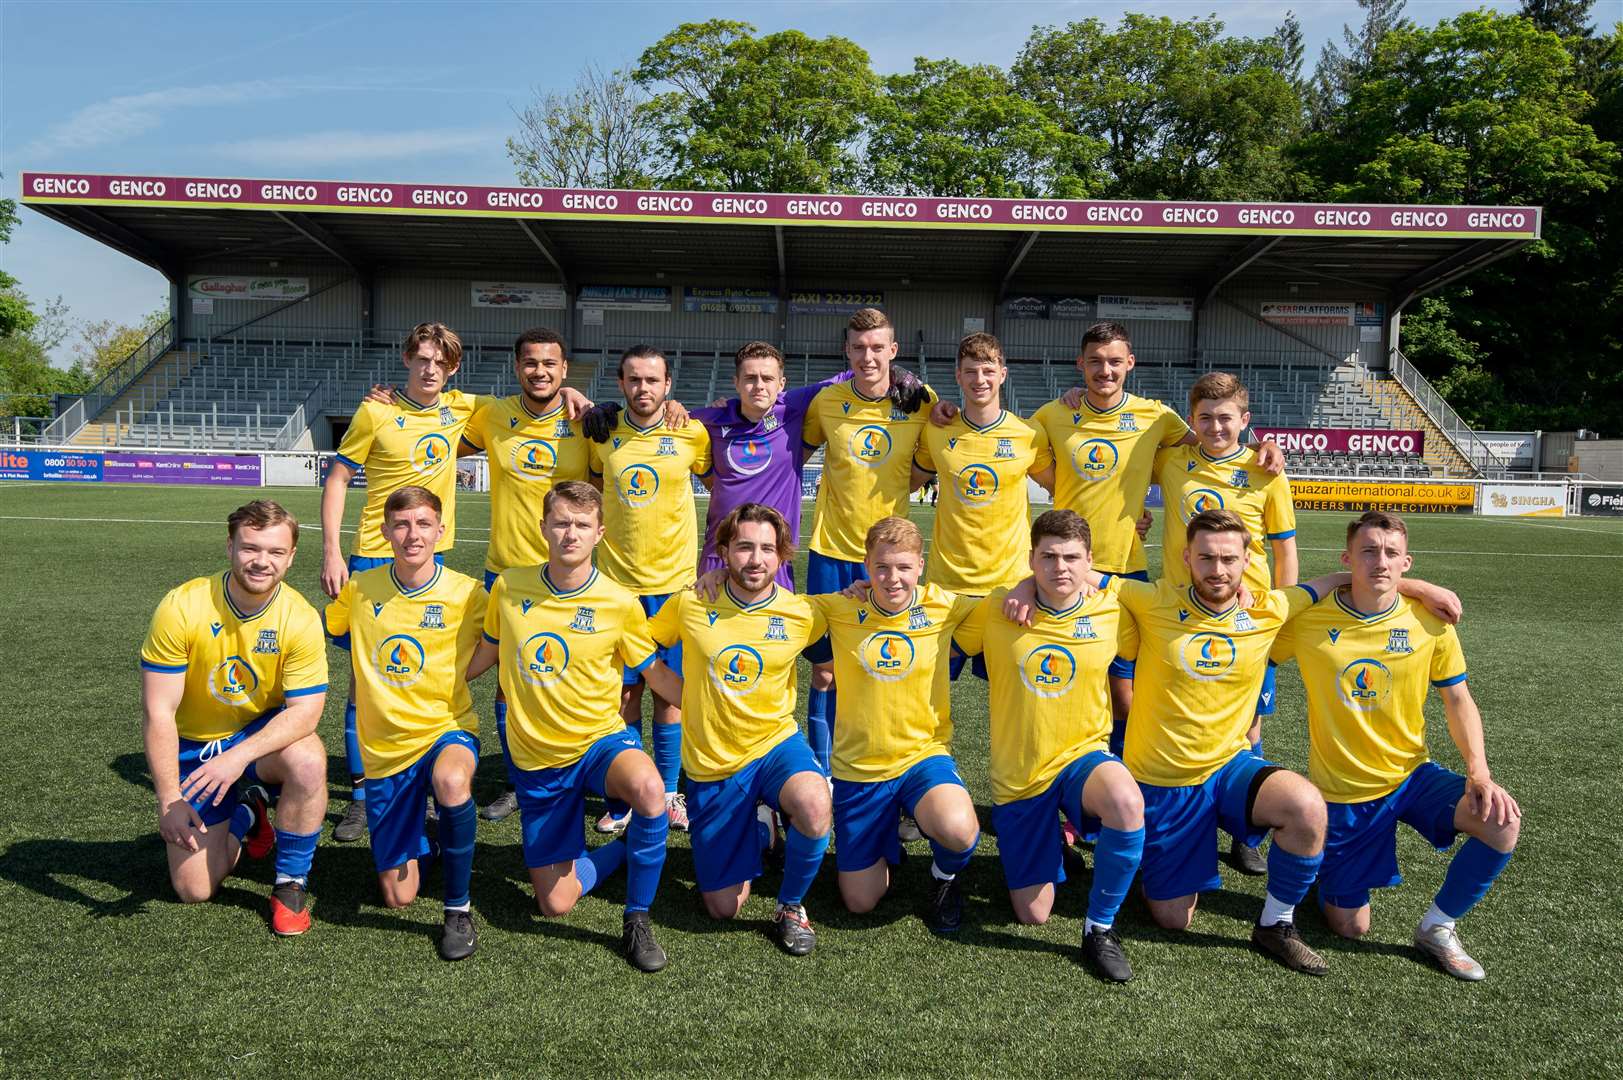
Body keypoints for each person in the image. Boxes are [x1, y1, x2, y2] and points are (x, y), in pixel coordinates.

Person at [1270, 511, 1519, 980]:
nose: (1379, 562)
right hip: (1344, 791)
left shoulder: (1431, 623)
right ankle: (1323, 866)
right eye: (1367, 552)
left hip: (1412, 775)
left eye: (1390, 553)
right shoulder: (1308, 620)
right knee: (1349, 927)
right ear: (1347, 559)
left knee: (1502, 823)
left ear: (1407, 562)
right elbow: (1258, 640)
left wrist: (1479, 771)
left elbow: (1458, 699)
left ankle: (1438, 927)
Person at [1022, 323, 1285, 762]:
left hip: (1127, 568)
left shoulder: (1157, 417)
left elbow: (1212, 441)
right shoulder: (1052, 414)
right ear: (1080, 365)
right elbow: (1021, 454)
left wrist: (1264, 443)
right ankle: (1069, 782)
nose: (1104, 370)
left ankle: (1125, 777)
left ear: (1130, 364)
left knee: (1132, 694)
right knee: (1068, 685)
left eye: (1113, 361)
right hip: (1065, 570)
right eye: (1095, 361)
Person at [466, 481, 683, 972]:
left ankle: (637, 919)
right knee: (555, 904)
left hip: (599, 742)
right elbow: (487, 651)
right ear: (543, 527)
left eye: (582, 525)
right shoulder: (509, 587)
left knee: (649, 789)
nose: (570, 533)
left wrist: (711, 705)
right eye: (561, 522)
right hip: (537, 760)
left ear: (599, 533)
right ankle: (626, 849)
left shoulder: (620, 602)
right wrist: (439, 683)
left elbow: (654, 674)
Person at [953, 510, 1143, 982]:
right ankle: (1056, 846)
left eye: (1072, 557)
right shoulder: (997, 609)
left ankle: (1099, 928)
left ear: (1090, 561)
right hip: (1020, 777)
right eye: (1049, 557)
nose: (1061, 567)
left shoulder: (1113, 611)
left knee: (1126, 800)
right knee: (1032, 914)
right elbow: (931, 616)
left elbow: (1175, 616)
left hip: (1083, 758)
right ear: (1031, 560)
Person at [320, 323, 484, 843]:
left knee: (426, 674)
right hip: (372, 557)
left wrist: (570, 391)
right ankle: (365, 796)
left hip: (432, 555)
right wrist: (331, 551)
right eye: (422, 359)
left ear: (452, 368)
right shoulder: (376, 411)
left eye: (440, 361)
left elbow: (524, 407)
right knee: (363, 682)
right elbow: (339, 477)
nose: (430, 368)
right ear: (407, 359)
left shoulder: (462, 408)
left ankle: (425, 783)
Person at [647, 503, 832, 955]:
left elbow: (834, 656)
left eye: (767, 549)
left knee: (813, 805)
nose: (756, 559)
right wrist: (685, 697)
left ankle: (790, 907)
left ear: (782, 555)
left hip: (774, 745)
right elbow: (640, 646)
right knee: (722, 908)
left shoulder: (802, 613)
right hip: (713, 761)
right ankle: (761, 825)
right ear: (725, 551)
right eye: (745, 547)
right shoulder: (693, 601)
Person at [139, 500, 328, 935]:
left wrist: (237, 757)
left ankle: (289, 885)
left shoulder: (298, 617)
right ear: (230, 547)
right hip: (195, 744)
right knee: (193, 890)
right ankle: (249, 811)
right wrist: (168, 800)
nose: (262, 562)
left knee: (308, 759)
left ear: (292, 556)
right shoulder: (182, 606)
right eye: (250, 548)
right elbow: (158, 710)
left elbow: (305, 713)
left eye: (276, 552)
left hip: (256, 735)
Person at [323, 486, 486, 960]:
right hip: (384, 751)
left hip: (445, 729)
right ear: (384, 532)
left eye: (422, 524)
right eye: (401, 525)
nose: (412, 535)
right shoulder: (359, 590)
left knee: (453, 780)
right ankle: (431, 837)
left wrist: (458, 672)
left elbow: (502, 638)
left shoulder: (469, 593)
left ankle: (458, 909)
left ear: (441, 530)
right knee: (398, 897)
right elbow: (329, 633)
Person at [1154, 371, 1299, 875]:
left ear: (1246, 421)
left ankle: (1245, 831)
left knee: (1249, 725)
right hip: (1179, 615)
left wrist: (1277, 613)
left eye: (1226, 418)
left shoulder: (1265, 471)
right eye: (1206, 418)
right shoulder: (1172, 461)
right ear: (1191, 421)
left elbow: (1284, 548)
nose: (1216, 427)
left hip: (1247, 621)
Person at [810, 516, 980, 933]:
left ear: (920, 566)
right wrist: (719, 574)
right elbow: (772, 606)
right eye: (882, 567)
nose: (892, 578)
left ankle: (943, 879)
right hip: (859, 769)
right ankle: (889, 837)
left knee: (958, 829)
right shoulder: (839, 607)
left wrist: (1031, 587)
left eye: (903, 567)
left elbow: (1005, 602)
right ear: (866, 566)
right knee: (859, 903)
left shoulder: (944, 606)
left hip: (922, 757)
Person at [457, 328, 591, 824]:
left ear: (564, 369)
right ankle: (520, 779)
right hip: (508, 575)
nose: (540, 371)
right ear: (517, 368)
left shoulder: (586, 419)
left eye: (550, 364)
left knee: (565, 676)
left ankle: (572, 773)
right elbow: (432, 422)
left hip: (571, 577)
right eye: (531, 363)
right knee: (509, 683)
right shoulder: (492, 414)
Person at [799, 308, 937, 777]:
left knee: (886, 666)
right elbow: (792, 451)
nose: (868, 356)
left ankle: (889, 763)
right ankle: (823, 771)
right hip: (831, 551)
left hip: (890, 562)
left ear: (893, 351)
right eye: (858, 347)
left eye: (878, 347)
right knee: (825, 670)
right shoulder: (827, 401)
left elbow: (937, 456)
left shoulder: (920, 401)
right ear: (847, 352)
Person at [586, 345, 712, 833]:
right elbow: (592, 486)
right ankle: (624, 794)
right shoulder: (603, 433)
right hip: (617, 591)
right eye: (634, 380)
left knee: (670, 696)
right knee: (623, 697)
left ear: (668, 386)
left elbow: (717, 480)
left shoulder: (689, 432)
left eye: (652, 380)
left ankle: (668, 790)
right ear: (621, 385)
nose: (644, 389)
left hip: (674, 587)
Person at [686, 340, 927, 589]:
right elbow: (667, 422)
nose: (759, 386)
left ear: (781, 384)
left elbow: (856, 372)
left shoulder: (793, 406)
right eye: (750, 378)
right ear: (736, 382)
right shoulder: (709, 419)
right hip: (720, 552)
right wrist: (673, 407)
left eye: (767, 378)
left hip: (774, 555)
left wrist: (899, 372)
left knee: (777, 626)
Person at [913, 332, 1054, 677]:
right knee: (925, 695)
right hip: (945, 588)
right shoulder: (935, 430)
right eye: (971, 371)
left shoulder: (1029, 434)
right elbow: (904, 482)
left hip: (1010, 587)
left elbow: (1064, 488)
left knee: (1009, 696)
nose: (980, 380)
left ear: (1002, 374)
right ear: (958, 376)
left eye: (988, 371)